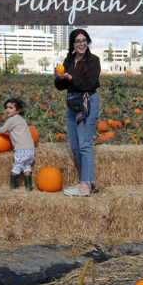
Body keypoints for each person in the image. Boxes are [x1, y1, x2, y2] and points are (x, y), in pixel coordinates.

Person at [54, 29, 101, 197]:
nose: (81, 43)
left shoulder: (93, 60)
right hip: (72, 103)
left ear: (87, 42)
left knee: (85, 144)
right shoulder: (68, 61)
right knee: (75, 146)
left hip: (87, 103)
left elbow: (88, 84)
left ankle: (84, 186)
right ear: (73, 44)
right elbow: (61, 87)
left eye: (84, 40)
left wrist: (70, 78)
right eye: (77, 41)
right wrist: (60, 78)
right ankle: (86, 182)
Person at [0, 98, 35, 191]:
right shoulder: (21, 119)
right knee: (27, 166)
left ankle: (13, 185)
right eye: (6, 107)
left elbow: (3, 130)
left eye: (10, 107)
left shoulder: (12, 120)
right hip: (30, 148)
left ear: (18, 110)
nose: (7, 109)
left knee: (17, 166)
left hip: (21, 148)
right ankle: (28, 186)